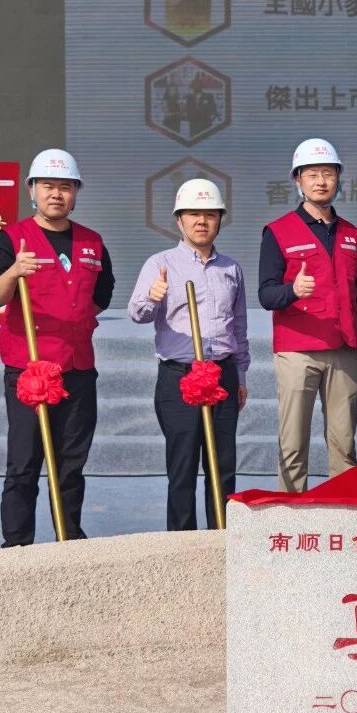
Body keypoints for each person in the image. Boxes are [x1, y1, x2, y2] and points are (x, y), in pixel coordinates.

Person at [0, 148, 114, 546]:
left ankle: (68, 537)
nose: (57, 194)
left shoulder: (92, 241)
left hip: (78, 367)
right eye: (48, 186)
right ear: (33, 191)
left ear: (75, 193)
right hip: (30, 370)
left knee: (71, 463)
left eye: (65, 187)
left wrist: (73, 321)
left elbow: (102, 295)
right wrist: (14, 271)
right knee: (24, 463)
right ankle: (17, 544)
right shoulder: (12, 239)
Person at [128, 178, 248, 530]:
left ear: (220, 219)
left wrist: (240, 376)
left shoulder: (231, 269)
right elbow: (137, 314)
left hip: (223, 375)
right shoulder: (160, 264)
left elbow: (239, 328)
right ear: (179, 220)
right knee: (181, 468)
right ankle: (181, 544)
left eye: (210, 214)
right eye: (193, 214)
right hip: (179, 377)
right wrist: (152, 296)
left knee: (222, 466)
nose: (202, 221)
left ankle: (222, 540)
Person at [258, 138, 357, 491]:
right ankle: (290, 515)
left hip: (343, 350)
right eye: (312, 174)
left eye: (328, 174)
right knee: (293, 443)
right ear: (298, 180)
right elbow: (266, 294)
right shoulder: (278, 231)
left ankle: (344, 512)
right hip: (298, 351)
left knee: (344, 444)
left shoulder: (351, 234)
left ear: (338, 178)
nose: (321, 181)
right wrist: (293, 290)